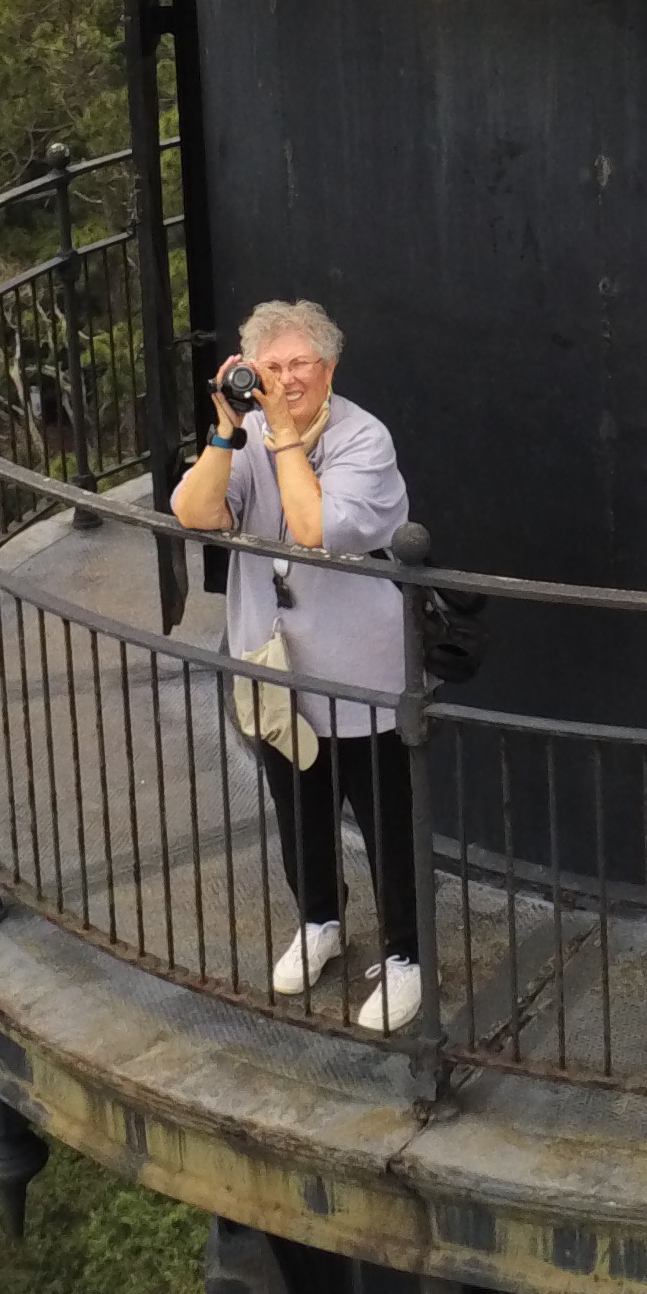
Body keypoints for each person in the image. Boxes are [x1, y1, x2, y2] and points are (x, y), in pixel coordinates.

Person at [168, 298, 424, 1034]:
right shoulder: (247, 435)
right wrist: (226, 430)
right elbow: (194, 513)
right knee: (297, 804)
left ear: (330, 369)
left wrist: (279, 435)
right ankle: (320, 920)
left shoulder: (362, 440)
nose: (284, 380)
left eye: (300, 365)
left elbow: (316, 529)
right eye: (270, 367)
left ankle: (406, 955)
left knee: (384, 819)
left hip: (358, 670)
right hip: (274, 664)